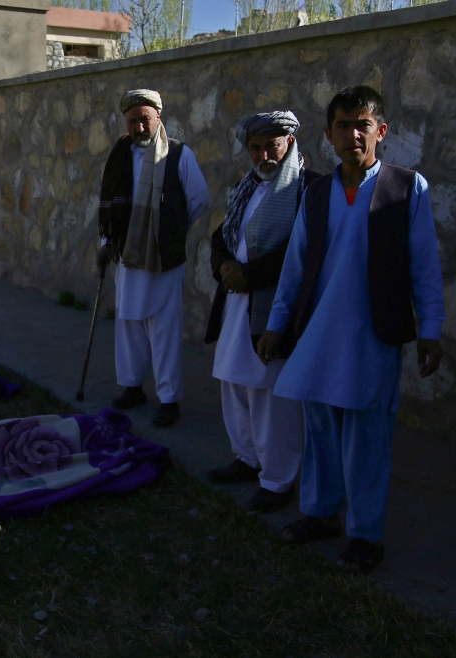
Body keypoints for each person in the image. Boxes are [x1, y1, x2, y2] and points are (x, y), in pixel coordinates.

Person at [257, 86, 445, 573]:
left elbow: (425, 267)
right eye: (343, 125)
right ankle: (320, 515)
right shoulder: (317, 193)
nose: (353, 134)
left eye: (363, 124)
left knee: (366, 440)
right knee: (319, 431)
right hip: (318, 336)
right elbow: (295, 268)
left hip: (373, 337)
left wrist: (432, 329)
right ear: (328, 135)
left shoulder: (408, 189)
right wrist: (277, 325)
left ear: (380, 131)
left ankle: (365, 536)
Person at [204, 111, 320, 513]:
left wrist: (249, 275)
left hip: (272, 310)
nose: (264, 154)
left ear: (289, 142)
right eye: (256, 147)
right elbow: (221, 235)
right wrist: (223, 266)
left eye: (272, 145)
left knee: (271, 394)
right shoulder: (246, 186)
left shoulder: (309, 188)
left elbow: (301, 254)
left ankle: (277, 480)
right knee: (234, 384)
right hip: (236, 303)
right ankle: (246, 458)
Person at [96, 89, 211, 427]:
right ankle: (132, 387)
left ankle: (169, 398)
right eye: (133, 121)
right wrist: (105, 243)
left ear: (158, 117)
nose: (139, 126)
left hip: (163, 259)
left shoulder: (177, 154)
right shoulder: (120, 155)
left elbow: (199, 198)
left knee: (164, 329)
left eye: (144, 118)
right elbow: (108, 208)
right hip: (128, 257)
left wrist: (170, 231)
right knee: (129, 324)